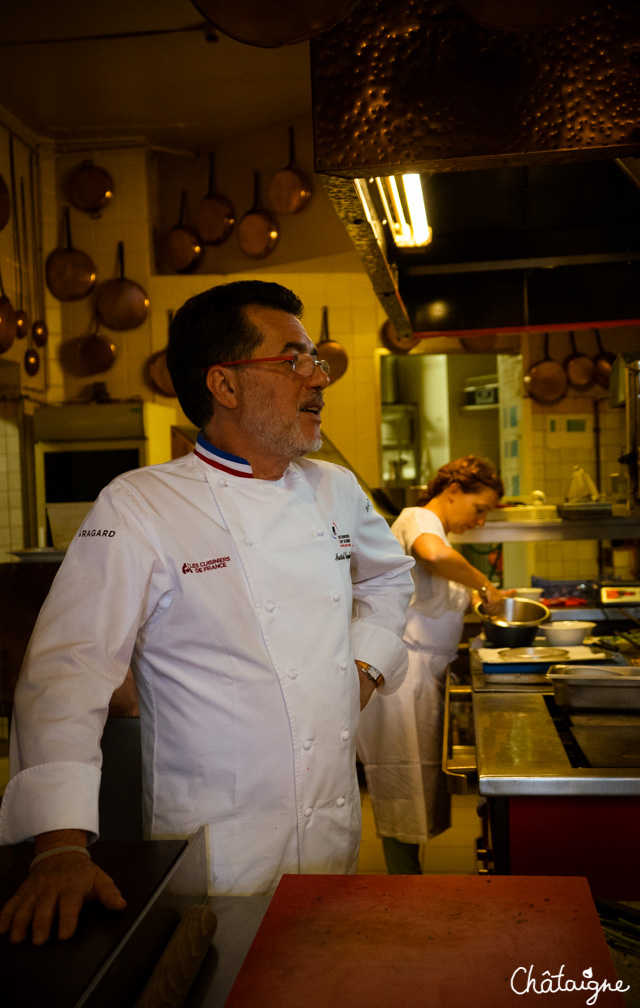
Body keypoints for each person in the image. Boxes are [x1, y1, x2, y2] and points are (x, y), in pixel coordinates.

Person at [0, 280, 414, 944]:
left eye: (317, 361)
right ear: (225, 385)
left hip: (332, 836)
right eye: (295, 360)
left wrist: (364, 668)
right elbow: (67, 672)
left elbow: (392, 581)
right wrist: (59, 847)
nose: (318, 379)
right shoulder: (140, 506)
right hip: (217, 853)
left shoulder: (333, 489)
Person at [357, 455, 512, 875]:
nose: (480, 522)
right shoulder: (419, 519)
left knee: (414, 782)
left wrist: (480, 598)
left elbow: (434, 588)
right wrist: (485, 583)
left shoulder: (435, 528)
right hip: (401, 677)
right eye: (480, 509)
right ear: (454, 490)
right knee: (401, 782)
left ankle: (409, 882)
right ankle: (403, 886)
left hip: (420, 675)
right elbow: (431, 554)